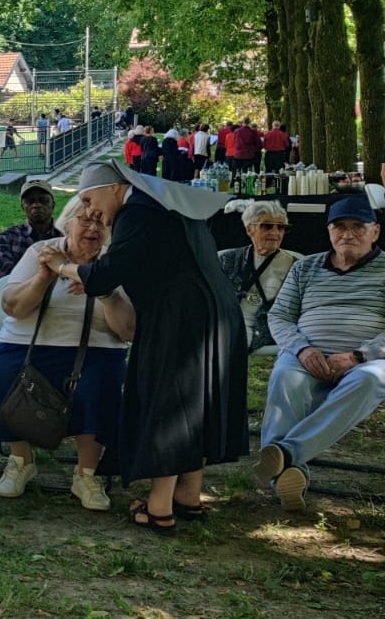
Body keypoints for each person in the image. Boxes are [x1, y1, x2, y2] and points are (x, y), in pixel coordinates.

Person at [42, 162, 246, 531]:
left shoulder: (136, 211)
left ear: (116, 188)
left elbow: (105, 273)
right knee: (197, 405)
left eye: (90, 198)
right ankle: (188, 494)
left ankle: (159, 508)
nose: (89, 210)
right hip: (219, 314)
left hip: (181, 319)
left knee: (168, 407)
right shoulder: (166, 205)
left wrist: (62, 267)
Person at [0, 199, 136, 507]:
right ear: (67, 223)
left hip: (97, 347)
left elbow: (128, 330)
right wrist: (44, 277)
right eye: (85, 220)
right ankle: (20, 461)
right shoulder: (43, 251)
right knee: (0, 372)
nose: (93, 229)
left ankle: (87, 474)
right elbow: (12, 306)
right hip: (26, 342)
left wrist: (103, 290)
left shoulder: (115, 260)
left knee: (100, 382)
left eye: (101, 222)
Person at [254, 196, 385, 511]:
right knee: (285, 378)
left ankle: (285, 455)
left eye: (358, 227)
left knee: (369, 382)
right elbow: (280, 316)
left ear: (376, 232)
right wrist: (302, 348)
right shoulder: (306, 267)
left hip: (366, 360)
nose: (347, 234)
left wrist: (358, 356)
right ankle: (287, 476)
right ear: (329, 231)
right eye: (339, 227)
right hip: (305, 354)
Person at [217, 201, 301, 351]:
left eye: (282, 227)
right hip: (226, 323)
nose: (275, 233)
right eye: (267, 226)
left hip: (264, 330)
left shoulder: (296, 267)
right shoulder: (227, 259)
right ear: (250, 229)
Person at [0, 180, 61, 283]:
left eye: (43, 200)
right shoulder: (7, 238)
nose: (36, 205)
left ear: (53, 205)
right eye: (30, 201)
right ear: (23, 207)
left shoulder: (66, 236)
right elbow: (4, 277)